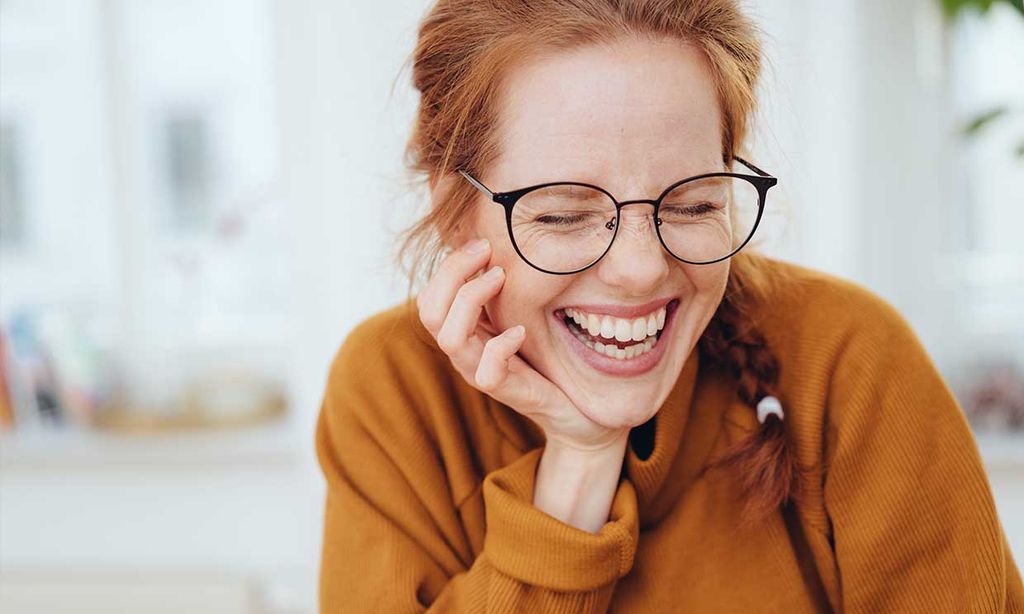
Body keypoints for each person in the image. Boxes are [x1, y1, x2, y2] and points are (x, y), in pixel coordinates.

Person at [314, 0, 1024, 611]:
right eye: (563, 215)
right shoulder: (394, 392)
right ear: (452, 213)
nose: (641, 269)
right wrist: (581, 461)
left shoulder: (850, 357)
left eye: (691, 204)